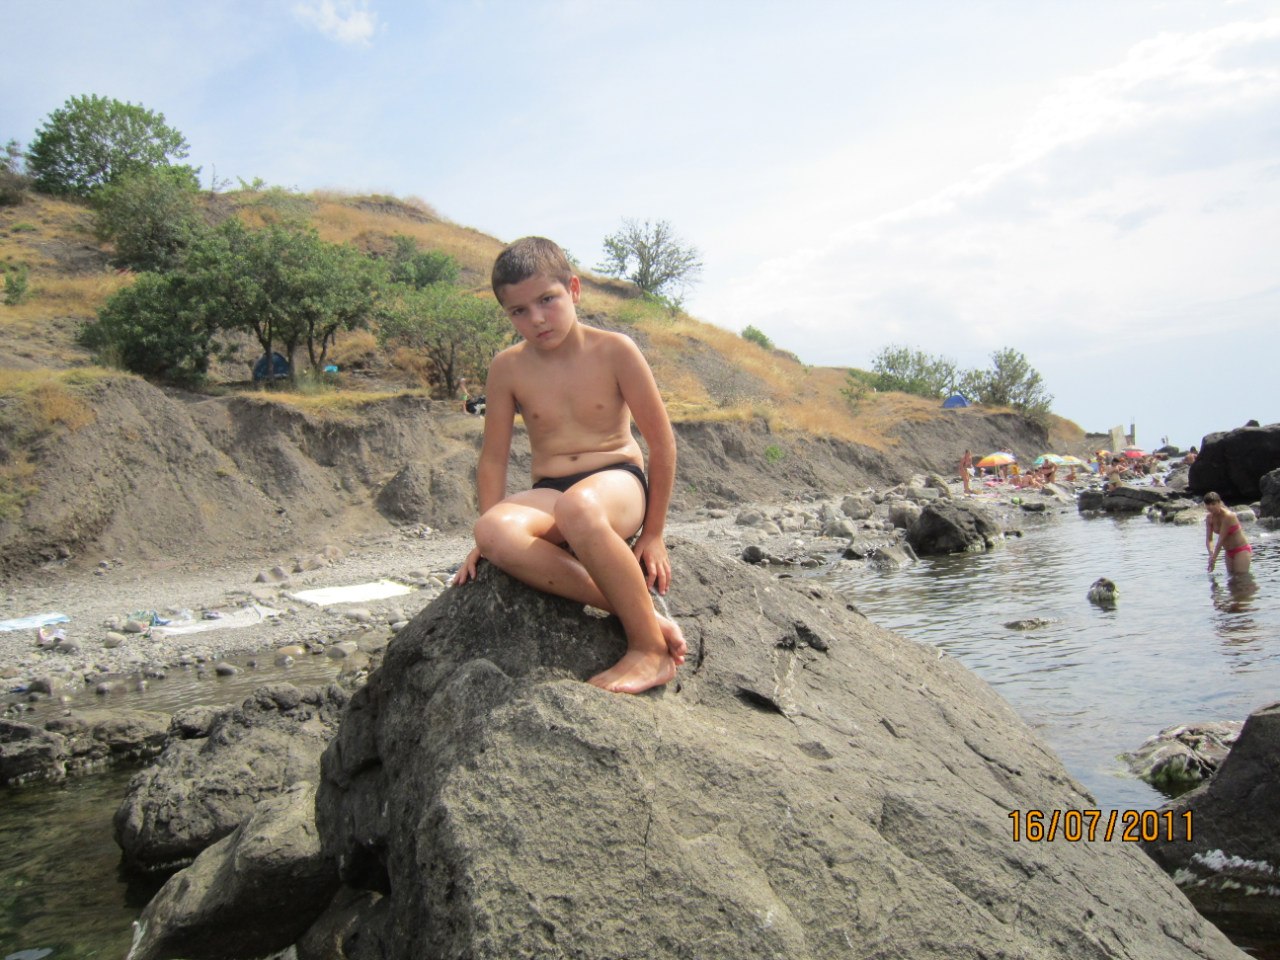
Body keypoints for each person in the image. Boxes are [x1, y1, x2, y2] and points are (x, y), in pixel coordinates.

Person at [451, 237, 686, 694]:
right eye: (519, 311)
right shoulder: (507, 368)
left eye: (547, 300)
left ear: (573, 290)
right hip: (552, 489)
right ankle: (642, 614)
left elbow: (662, 444)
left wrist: (654, 533)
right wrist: (485, 540)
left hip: (617, 482)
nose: (537, 319)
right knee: (493, 531)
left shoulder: (615, 350)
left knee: (579, 508)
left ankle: (649, 650)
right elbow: (493, 457)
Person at [1204, 491, 1252, 575]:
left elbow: (1221, 539)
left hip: (1241, 549)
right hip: (1228, 552)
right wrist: (1211, 554)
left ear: (1219, 503)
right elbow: (1209, 539)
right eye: (1208, 504)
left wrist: (1214, 559)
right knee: (1231, 579)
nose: (1210, 507)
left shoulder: (1228, 516)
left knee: (1241, 578)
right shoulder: (1209, 518)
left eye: (1213, 504)